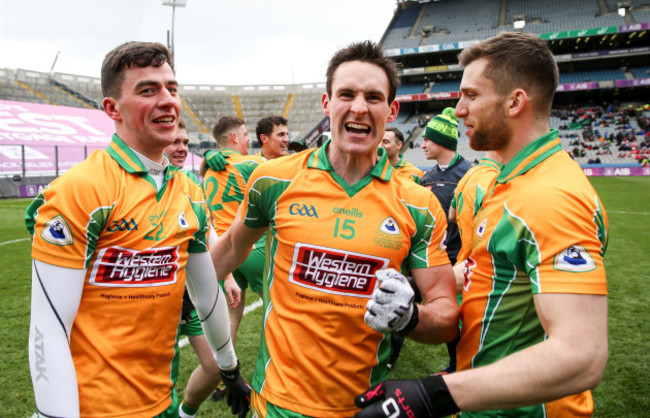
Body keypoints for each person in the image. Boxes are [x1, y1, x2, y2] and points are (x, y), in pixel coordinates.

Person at [354, 31, 609, 418]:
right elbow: (489, 272)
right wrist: (413, 297)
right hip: (491, 401)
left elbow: (581, 355)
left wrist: (432, 394)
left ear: (515, 101)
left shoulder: (550, 196)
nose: (458, 109)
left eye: (471, 95)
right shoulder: (510, 180)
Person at [210, 40, 459, 417]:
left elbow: (445, 317)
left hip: (365, 408)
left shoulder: (418, 205)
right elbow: (228, 250)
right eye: (346, 94)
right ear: (327, 105)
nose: (359, 107)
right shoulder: (272, 180)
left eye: (373, 97)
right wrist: (170, 296)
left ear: (391, 110)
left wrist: (410, 318)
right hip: (276, 404)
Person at [25, 41, 250, 418]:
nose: (168, 100)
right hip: (92, 410)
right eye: (148, 90)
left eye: (172, 89)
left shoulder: (188, 190)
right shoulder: (81, 189)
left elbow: (206, 293)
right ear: (112, 109)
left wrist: (229, 368)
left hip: (159, 404)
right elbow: (48, 330)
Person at [163, 119, 240, 418]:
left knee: (215, 366)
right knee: (160, 380)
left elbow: (207, 238)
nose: (182, 148)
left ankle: (186, 413)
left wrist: (229, 276)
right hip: (159, 302)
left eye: (185, 143)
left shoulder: (190, 186)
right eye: (175, 142)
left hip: (193, 297)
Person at [202, 116, 266, 347]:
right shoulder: (249, 164)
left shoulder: (208, 170)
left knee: (232, 315)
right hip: (253, 247)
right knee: (276, 312)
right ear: (234, 137)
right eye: (246, 134)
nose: (249, 139)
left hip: (222, 251)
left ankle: (226, 371)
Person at [419, 107, 475, 374]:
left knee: (470, 318)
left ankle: (470, 368)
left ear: (441, 141)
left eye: (427, 139)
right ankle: (455, 366)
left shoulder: (470, 174)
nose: (422, 144)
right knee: (449, 317)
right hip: (436, 260)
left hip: (464, 260)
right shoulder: (427, 178)